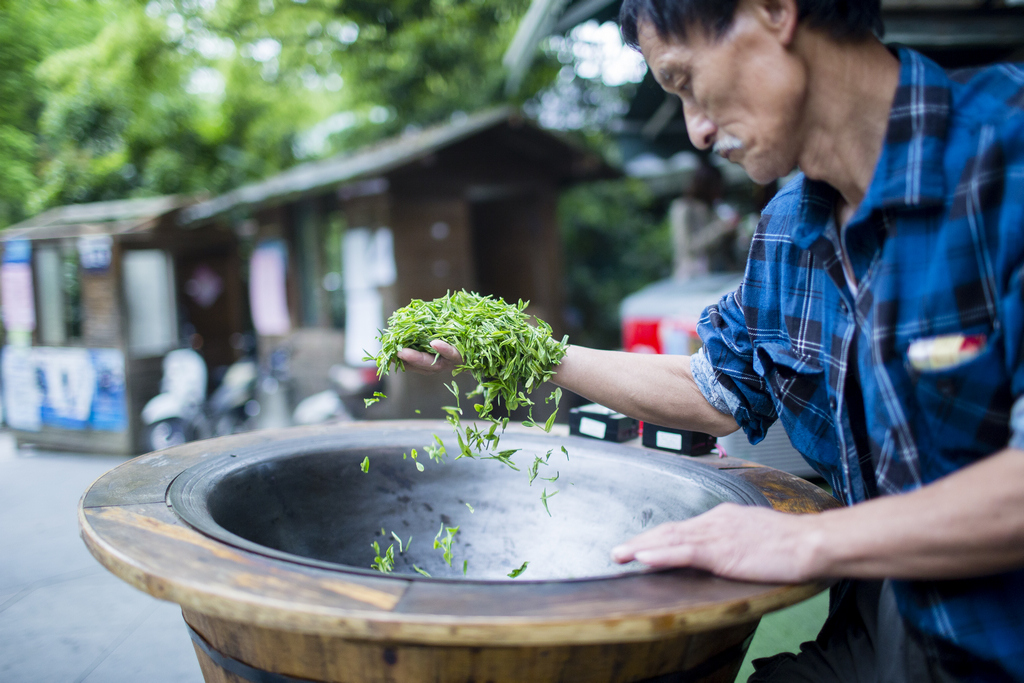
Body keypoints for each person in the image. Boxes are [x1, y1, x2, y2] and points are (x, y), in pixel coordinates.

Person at [399, 0, 1024, 679]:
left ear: (773, 11)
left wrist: (808, 540)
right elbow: (716, 387)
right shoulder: (791, 228)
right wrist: (528, 349)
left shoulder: (1007, 158)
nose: (695, 131)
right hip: (882, 621)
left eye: (686, 80)